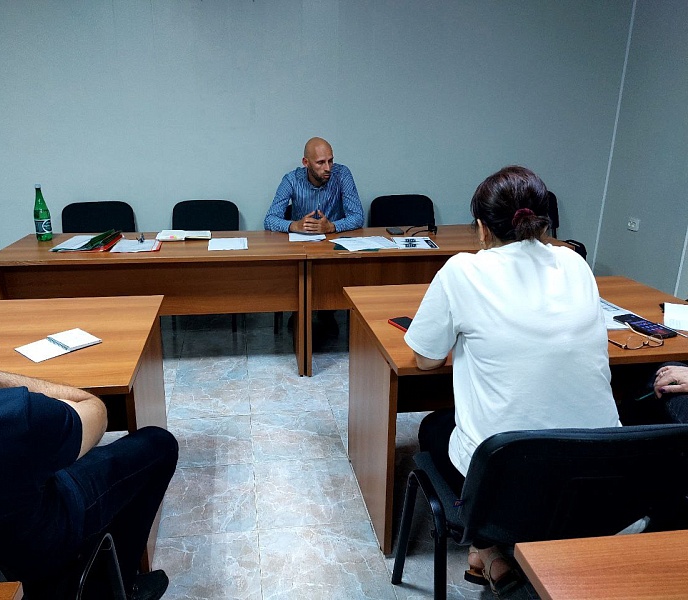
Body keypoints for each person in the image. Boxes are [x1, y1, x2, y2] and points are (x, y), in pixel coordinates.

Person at [0, 246, 178, 600]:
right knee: (157, 445)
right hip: (37, 554)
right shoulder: (6, 422)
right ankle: (116, 588)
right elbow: (92, 408)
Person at [403, 166, 620, 595]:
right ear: (543, 222)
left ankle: (487, 548)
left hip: (510, 483)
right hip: (597, 477)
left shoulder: (462, 271)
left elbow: (425, 361)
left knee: (434, 427)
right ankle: (490, 554)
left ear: (482, 228)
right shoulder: (575, 263)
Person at [263, 137, 364, 234]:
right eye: (320, 162)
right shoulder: (291, 180)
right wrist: (295, 226)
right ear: (306, 162)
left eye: (330, 161)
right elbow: (270, 219)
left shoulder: (342, 174)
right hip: (301, 240)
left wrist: (332, 227)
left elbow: (357, 217)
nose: (328, 168)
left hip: (333, 239)